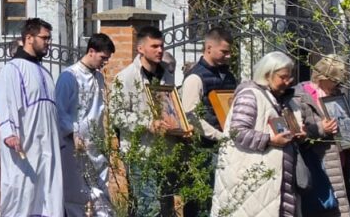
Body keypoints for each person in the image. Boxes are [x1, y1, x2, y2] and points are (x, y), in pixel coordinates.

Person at [212, 51, 306, 217]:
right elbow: (237, 132)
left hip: (276, 183)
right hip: (254, 180)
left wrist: (296, 134)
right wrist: (270, 140)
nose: (288, 81)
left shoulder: (280, 99)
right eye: (283, 77)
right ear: (267, 74)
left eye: (289, 77)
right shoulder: (250, 96)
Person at [0, 18, 64, 217]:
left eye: (49, 38)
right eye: (45, 38)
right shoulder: (12, 69)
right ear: (29, 38)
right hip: (25, 143)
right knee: (22, 192)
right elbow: (4, 103)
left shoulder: (45, 72)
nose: (48, 43)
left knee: (50, 193)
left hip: (48, 147)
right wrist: (9, 133)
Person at [112, 25, 177, 217]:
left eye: (162, 46)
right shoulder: (125, 77)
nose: (160, 50)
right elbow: (117, 114)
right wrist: (148, 122)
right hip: (140, 151)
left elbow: (172, 107)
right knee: (149, 207)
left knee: (166, 206)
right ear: (141, 49)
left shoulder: (166, 75)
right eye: (154, 46)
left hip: (164, 151)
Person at [179, 28, 237, 217]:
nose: (228, 56)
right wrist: (219, 135)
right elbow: (191, 117)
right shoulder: (195, 78)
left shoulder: (228, 76)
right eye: (224, 51)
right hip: (203, 149)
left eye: (229, 52)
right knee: (200, 202)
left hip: (225, 147)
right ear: (209, 47)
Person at [56, 33, 115, 217]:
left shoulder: (98, 77)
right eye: (102, 57)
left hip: (96, 144)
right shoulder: (69, 76)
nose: (105, 62)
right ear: (91, 51)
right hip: (75, 145)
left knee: (101, 193)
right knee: (78, 195)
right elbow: (60, 110)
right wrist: (73, 133)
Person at [294, 55, 350, 217]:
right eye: (334, 80)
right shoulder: (299, 97)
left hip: (339, 164)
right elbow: (296, 135)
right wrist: (321, 129)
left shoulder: (337, 94)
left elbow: (344, 123)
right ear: (322, 77)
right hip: (318, 165)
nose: (337, 85)